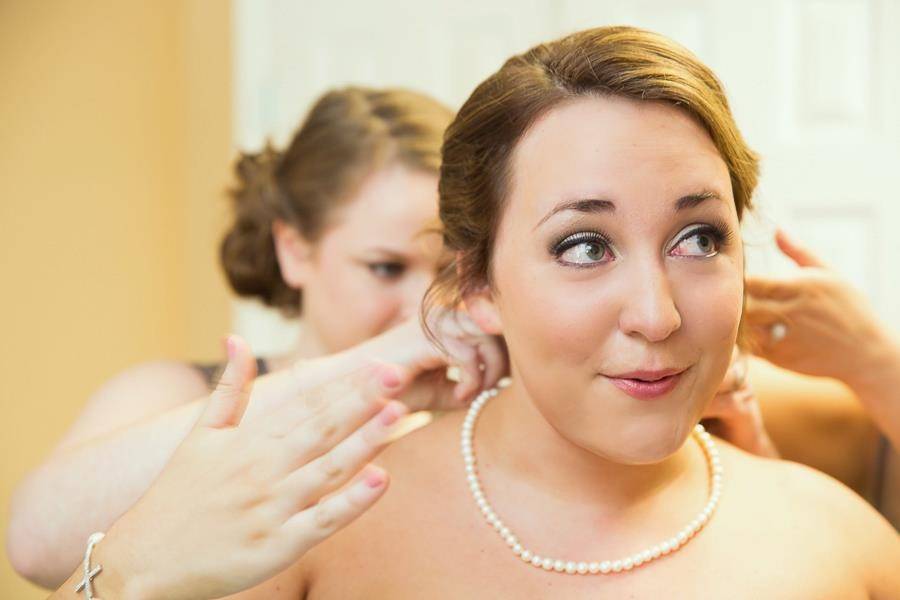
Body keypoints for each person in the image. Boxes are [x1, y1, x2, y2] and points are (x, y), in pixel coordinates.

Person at [46, 25, 900, 600]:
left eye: (699, 237)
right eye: (583, 246)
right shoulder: (319, 528)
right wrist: (121, 577)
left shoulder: (835, 541)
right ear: (476, 285)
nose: (657, 313)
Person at [7, 86, 508, 588]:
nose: (427, 304)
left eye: (447, 270)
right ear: (293, 249)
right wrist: (370, 370)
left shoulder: (486, 425)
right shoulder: (171, 394)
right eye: (384, 267)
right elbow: (34, 547)